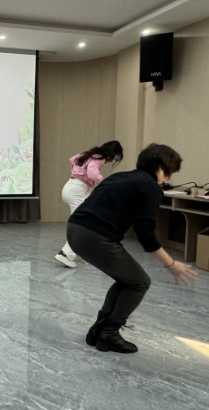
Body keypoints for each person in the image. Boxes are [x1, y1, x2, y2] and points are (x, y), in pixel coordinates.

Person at [67, 144, 197, 354]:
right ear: (161, 168)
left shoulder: (120, 177)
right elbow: (146, 235)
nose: (167, 177)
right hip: (95, 236)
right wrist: (171, 264)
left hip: (75, 229)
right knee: (140, 282)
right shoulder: (150, 186)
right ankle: (109, 333)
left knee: (127, 280)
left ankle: (99, 330)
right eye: (169, 172)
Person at [55, 140, 123, 268]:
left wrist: (78, 172)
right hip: (78, 190)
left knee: (89, 220)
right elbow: (92, 172)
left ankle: (84, 253)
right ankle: (66, 254)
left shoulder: (89, 154)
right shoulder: (100, 158)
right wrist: (103, 183)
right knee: (81, 224)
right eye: (115, 158)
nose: (112, 161)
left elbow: (72, 160)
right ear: (113, 153)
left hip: (70, 186)